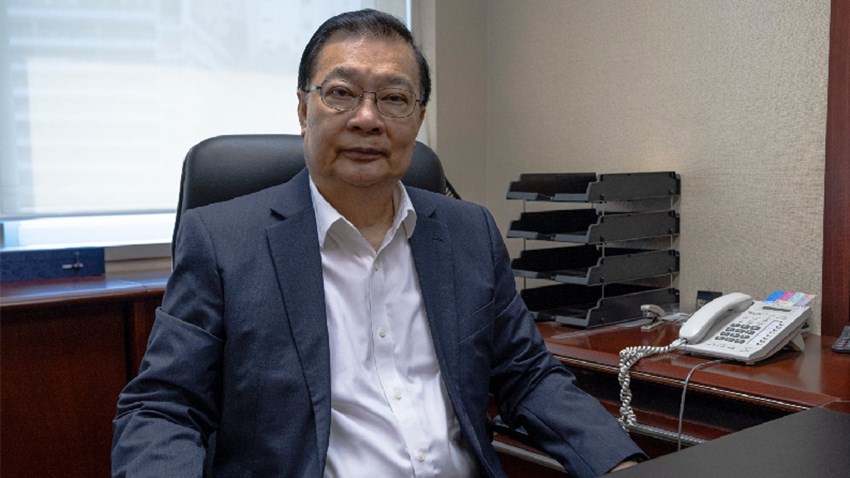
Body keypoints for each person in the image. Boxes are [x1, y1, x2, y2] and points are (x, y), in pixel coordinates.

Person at [112, 9, 644, 478]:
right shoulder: (223, 241)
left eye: (393, 98)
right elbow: (163, 408)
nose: (367, 119)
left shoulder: (469, 232)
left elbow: (527, 376)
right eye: (341, 93)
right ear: (304, 110)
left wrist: (618, 464)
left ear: (418, 118)